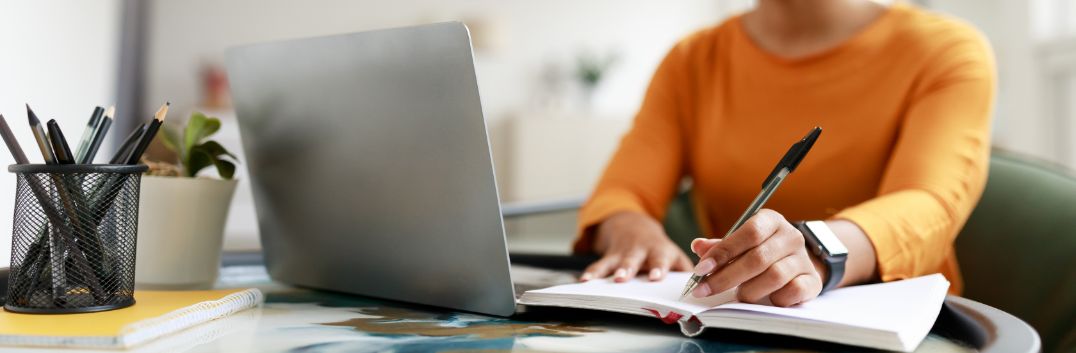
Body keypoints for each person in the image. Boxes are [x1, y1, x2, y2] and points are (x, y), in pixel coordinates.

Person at [574, 0, 995, 307]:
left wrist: (816, 250)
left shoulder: (947, 50)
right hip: (738, 320)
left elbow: (930, 203)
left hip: (899, 324)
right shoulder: (692, 61)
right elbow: (621, 192)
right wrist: (631, 231)